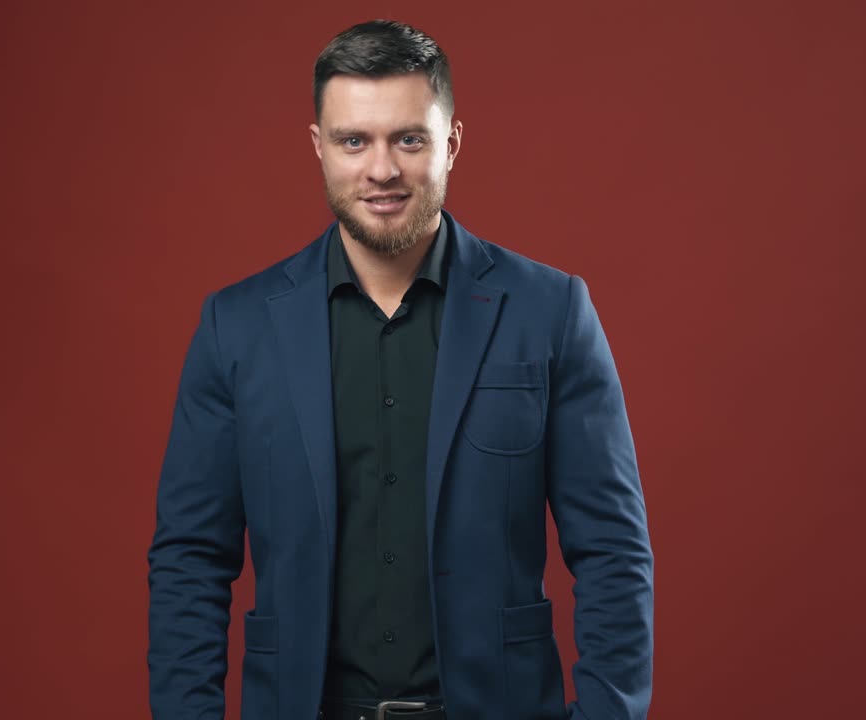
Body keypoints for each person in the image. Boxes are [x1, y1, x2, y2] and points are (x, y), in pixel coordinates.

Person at [147, 19, 653, 720]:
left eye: (408, 139)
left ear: (452, 143)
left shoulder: (550, 311)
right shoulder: (235, 327)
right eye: (354, 141)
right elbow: (190, 560)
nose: (381, 169)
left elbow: (613, 551)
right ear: (319, 147)